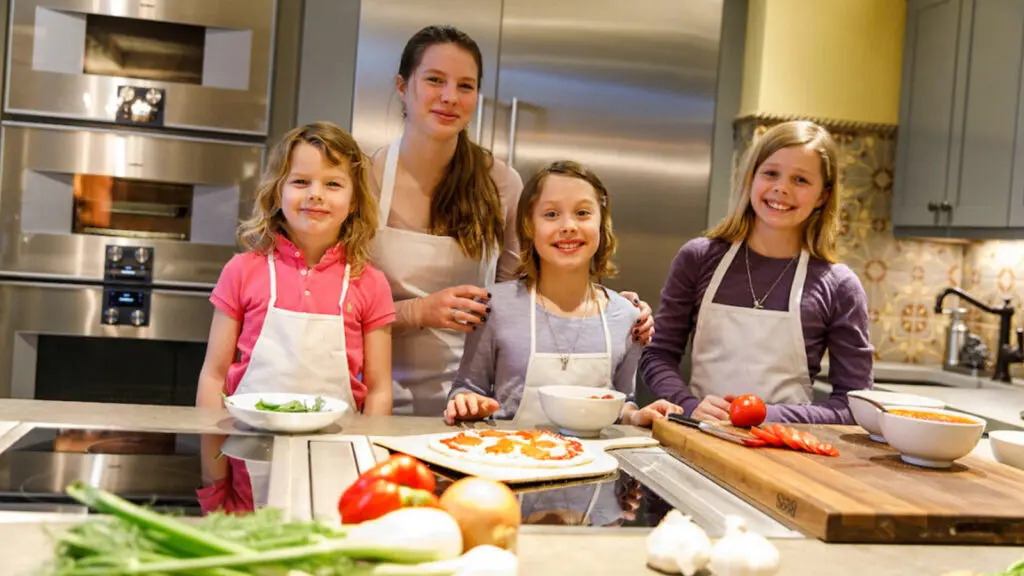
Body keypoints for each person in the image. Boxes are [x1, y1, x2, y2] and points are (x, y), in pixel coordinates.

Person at [369, 25, 654, 417]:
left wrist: (612, 309)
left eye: (465, 86)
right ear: (402, 86)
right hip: (377, 389)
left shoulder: (500, 183)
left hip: (476, 399)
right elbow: (341, 305)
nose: (450, 97)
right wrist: (418, 312)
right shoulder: (364, 178)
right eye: (435, 80)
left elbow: (524, 294)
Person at [195, 121, 395, 513]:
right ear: (277, 192)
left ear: (354, 201)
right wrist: (213, 479)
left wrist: (370, 471)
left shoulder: (370, 283)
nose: (315, 195)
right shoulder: (242, 270)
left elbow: (379, 390)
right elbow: (214, 376)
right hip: (243, 457)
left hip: (339, 462)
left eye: (333, 184)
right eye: (301, 181)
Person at [639, 121, 872, 425]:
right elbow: (657, 356)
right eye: (770, 173)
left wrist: (763, 415)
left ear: (823, 197)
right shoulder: (699, 258)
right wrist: (688, 405)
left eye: (800, 179)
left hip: (783, 452)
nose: (781, 188)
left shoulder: (839, 286)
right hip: (696, 434)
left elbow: (854, 404)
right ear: (751, 177)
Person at [443, 161, 680, 427]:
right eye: (551, 214)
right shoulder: (494, 307)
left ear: (602, 223)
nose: (568, 226)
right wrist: (467, 402)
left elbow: (622, 403)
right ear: (529, 225)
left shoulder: (627, 315)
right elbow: (466, 387)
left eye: (582, 213)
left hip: (592, 463)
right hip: (511, 457)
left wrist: (636, 415)